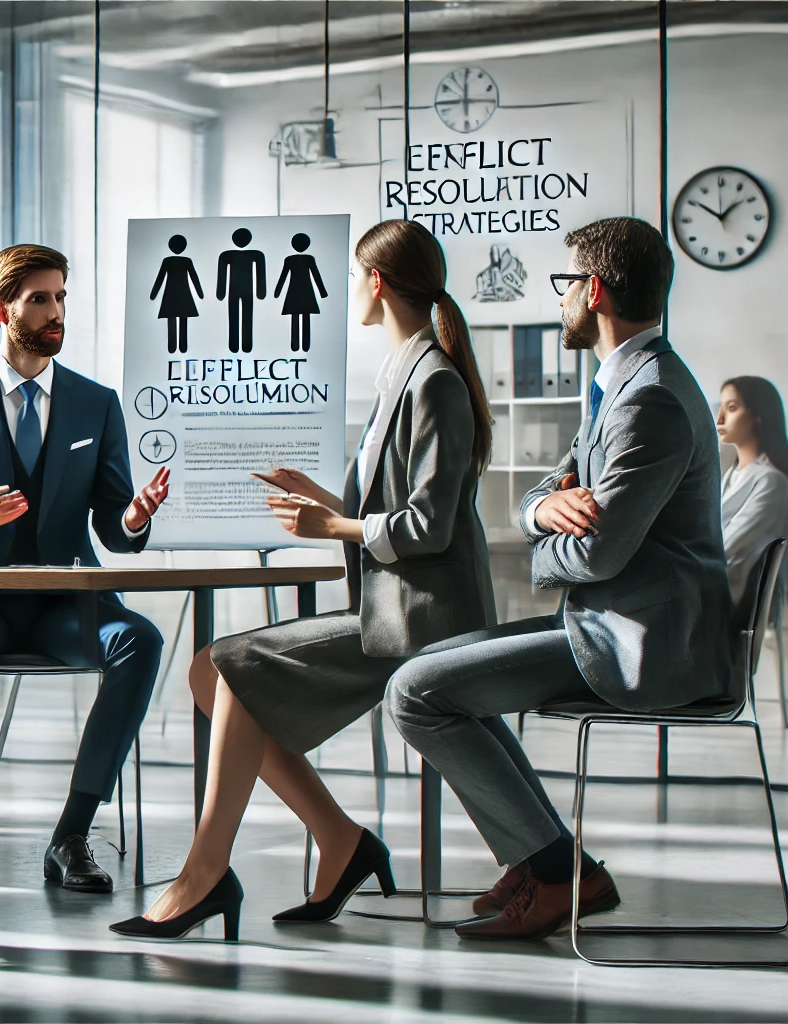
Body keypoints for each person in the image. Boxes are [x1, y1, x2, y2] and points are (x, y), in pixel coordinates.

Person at [113, 219, 497, 940]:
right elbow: (404, 507)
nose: (354, 289)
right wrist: (329, 500)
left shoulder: (433, 380)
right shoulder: (407, 373)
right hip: (392, 613)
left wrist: (339, 529)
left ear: (377, 281)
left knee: (227, 663)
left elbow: (430, 528)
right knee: (208, 671)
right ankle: (340, 839)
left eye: (358, 276)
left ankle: (204, 873)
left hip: (421, 625)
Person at [385, 216, 730, 940]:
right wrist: (545, 507)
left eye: (565, 284)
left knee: (415, 693)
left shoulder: (650, 400)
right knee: (431, 673)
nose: (561, 300)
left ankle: (560, 871)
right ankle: (544, 860)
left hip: (640, 643)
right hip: (610, 624)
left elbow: (597, 557)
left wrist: (541, 549)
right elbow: (536, 496)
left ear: (594, 290)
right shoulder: (619, 384)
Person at [0, 243, 172, 893]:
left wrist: (133, 517)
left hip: (63, 607)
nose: (57, 313)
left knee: (140, 639)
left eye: (62, 298)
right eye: (41, 299)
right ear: (1, 310)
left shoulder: (94, 404)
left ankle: (73, 834)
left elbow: (112, 522)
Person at [715, 375, 788, 604]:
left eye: (731, 408)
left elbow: (726, 548)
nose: (720, 418)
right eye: (720, 407)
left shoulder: (771, 482)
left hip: (727, 598)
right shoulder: (731, 475)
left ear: (757, 416)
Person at [274, 232, 328, 352]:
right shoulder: (308, 259)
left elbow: (284, 276)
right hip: (306, 290)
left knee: (296, 317)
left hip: (294, 291)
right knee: (305, 317)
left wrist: (277, 291)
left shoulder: (290, 260)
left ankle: (297, 345)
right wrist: (322, 291)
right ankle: (303, 345)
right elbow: (316, 275)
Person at [149, 234, 203, 354]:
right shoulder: (185, 261)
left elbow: (160, 278)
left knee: (173, 319)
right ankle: (178, 347)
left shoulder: (168, 261)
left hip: (171, 294)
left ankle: (174, 347)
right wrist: (200, 293)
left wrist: (154, 294)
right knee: (182, 319)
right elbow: (194, 277)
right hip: (183, 293)